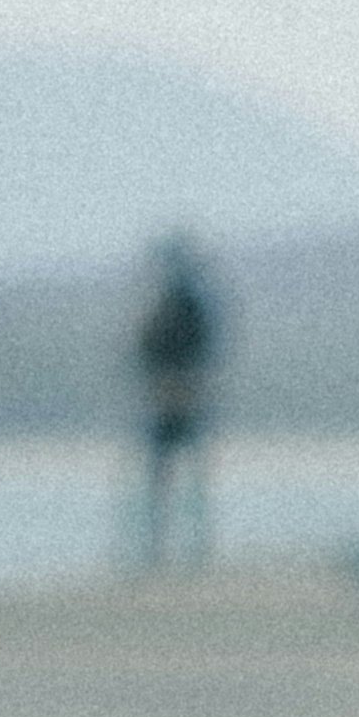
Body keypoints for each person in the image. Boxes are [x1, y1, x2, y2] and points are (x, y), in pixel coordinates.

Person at [130, 236, 221, 567]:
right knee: (169, 476)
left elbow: (196, 354)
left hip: (179, 400)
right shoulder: (176, 306)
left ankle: (182, 548)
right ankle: (166, 548)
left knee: (175, 476)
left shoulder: (183, 308)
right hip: (170, 400)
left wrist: (181, 387)